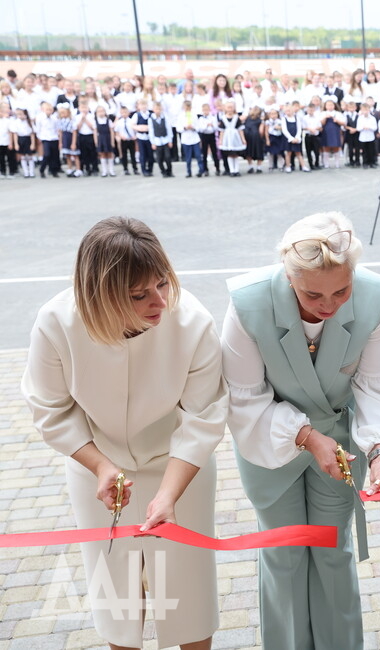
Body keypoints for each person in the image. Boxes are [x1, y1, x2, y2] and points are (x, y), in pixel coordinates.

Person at [22, 217, 228, 650]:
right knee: (118, 601)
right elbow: (50, 409)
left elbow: (202, 418)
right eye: (139, 295)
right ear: (100, 295)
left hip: (180, 468)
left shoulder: (193, 321)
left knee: (188, 596)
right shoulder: (55, 322)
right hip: (98, 469)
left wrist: (169, 494)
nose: (159, 301)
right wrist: (100, 466)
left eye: (162, 283)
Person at [222, 212, 380, 650]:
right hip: (268, 441)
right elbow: (244, 398)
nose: (329, 305)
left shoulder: (374, 296)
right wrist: (307, 437)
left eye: (341, 290)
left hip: (341, 444)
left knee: (333, 550)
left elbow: (376, 383)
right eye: (313, 293)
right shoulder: (248, 303)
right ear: (288, 276)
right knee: (284, 555)